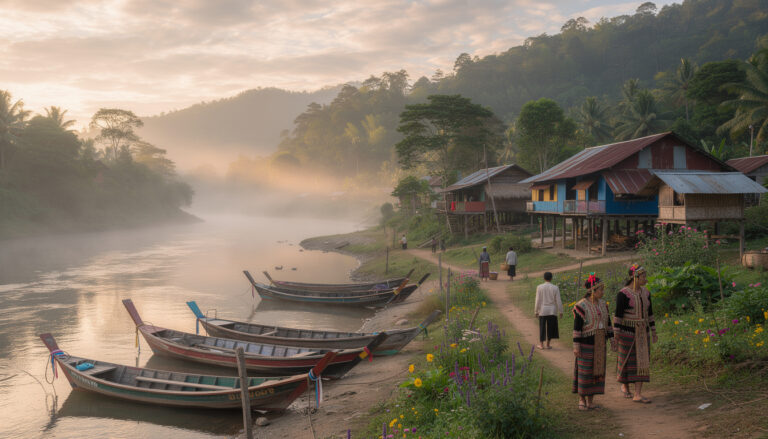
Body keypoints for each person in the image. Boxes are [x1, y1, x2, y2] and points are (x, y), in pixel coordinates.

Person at [614, 264, 657, 404]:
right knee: (626, 360)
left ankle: (638, 393)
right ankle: (625, 386)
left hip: (643, 333)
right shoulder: (623, 294)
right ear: (635, 277)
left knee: (642, 362)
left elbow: (650, 314)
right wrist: (616, 333)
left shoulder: (646, 293)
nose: (645, 279)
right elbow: (618, 316)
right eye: (643, 276)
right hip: (627, 332)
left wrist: (654, 331)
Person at [573, 273, 613, 410]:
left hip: (600, 343)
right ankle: (581, 400)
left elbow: (608, 323)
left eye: (603, 289)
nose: (602, 292)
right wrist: (576, 346)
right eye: (600, 289)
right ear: (592, 291)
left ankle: (591, 401)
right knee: (585, 372)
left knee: (597, 372)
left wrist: (612, 339)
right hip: (586, 344)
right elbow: (577, 328)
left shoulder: (603, 304)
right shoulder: (581, 306)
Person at [535, 272, 563, 349]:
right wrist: (561, 311)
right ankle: (548, 344)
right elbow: (558, 300)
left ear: (544, 278)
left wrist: (536, 311)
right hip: (552, 310)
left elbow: (538, 300)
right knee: (551, 327)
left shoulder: (539, 287)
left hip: (543, 310)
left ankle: (541, 345)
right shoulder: (555, 288)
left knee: (542, 327)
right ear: (551, 278)